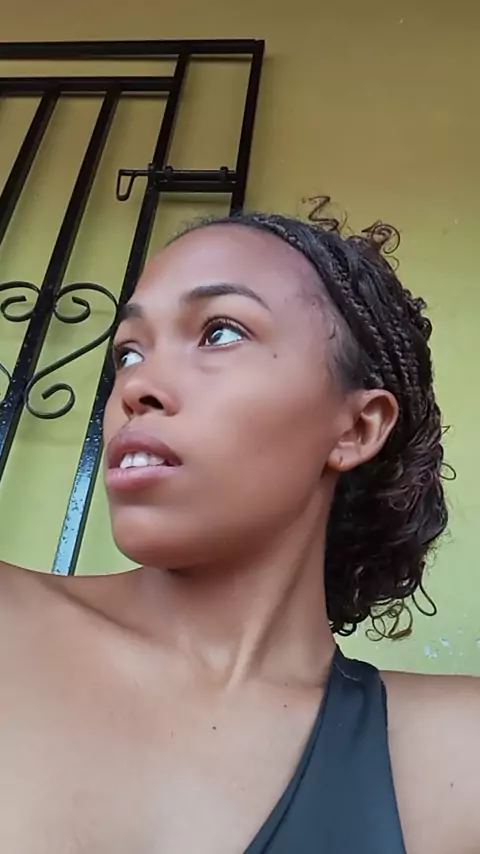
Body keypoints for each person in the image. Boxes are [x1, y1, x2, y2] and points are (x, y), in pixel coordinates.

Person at [0, 210, 478, 854]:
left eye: (220, 333)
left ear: (358, 428)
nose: (137, 386)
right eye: (129, 352)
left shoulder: (452, 761)